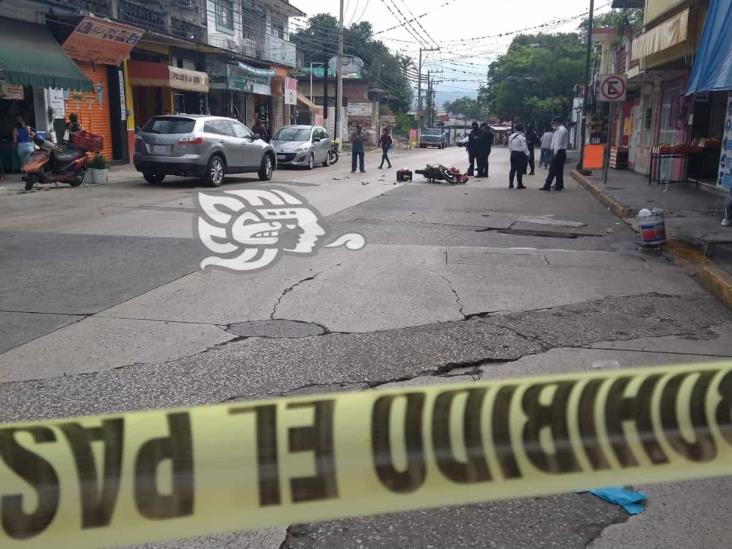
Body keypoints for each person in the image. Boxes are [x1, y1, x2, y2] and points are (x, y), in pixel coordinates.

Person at [541, 117, 569, 192]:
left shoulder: (560, 130)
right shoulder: (561, 129)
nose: (553, 124)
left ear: (557, 122)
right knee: (559, 170)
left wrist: (555, 152)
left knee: (552, 169)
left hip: (558, 151)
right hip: (561, 151)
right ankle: (559, 185)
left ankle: (547, 185)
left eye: (554, 122)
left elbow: (558, 143)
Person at [507, 123, 529, 189]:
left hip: (513, 154)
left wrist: (512, 152)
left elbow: (509, 146)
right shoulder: (522, 137)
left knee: (512, 169)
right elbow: (524, 147)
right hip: (520, 154)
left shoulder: (511, 136)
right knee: (519, 169)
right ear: (522, 129)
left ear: (515, 129)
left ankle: (511, 184)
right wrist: (527, 154)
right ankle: (519, 184)